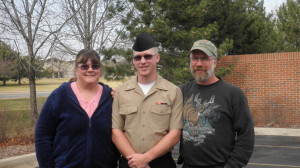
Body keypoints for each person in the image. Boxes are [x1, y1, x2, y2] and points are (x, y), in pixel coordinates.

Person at [35, 49, 120, 168]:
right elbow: (42, 135)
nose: (90, 69)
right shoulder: (60, 96)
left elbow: (123, 132)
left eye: (95, 66)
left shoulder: (110, 98)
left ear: (100, 69)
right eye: (84, 66)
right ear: (76, 70)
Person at [178, 40, 255, 168]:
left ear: (215, 62)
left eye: (204, 59)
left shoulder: (233, 94)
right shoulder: (181, 91)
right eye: (194, 59)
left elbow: (246, 136)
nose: (198, 64)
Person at [112, 32, 183, 168]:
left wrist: (145, 159)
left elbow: (175, 133)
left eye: (147, 56)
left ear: (157, 58)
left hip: (161, 162)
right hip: (129, 161)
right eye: (138, 57)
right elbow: (116, 132)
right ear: (133, 61)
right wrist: (136, 161)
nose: (143, 61)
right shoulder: (121, 92)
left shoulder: (173, 92)